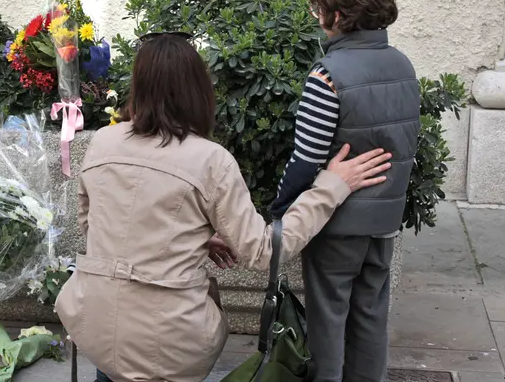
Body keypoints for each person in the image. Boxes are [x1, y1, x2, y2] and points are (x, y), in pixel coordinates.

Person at [55, 32, 393, 382]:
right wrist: (332, 186)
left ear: (137, 86)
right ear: (198, 89)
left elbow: (94, 228)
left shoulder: (102, 142)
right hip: (167, 344)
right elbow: (265, 252)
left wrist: (187, 238)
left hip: (93, 321)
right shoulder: (210, 160)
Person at [269, 0, 420, 382]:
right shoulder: (404, 66)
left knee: (328, 321)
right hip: (384, 223)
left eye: (319, 8)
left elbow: (306, 160)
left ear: (338, 13)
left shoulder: (327, 76)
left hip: (334, 224)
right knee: (372, 318)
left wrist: (280, 211)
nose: (317, 18)